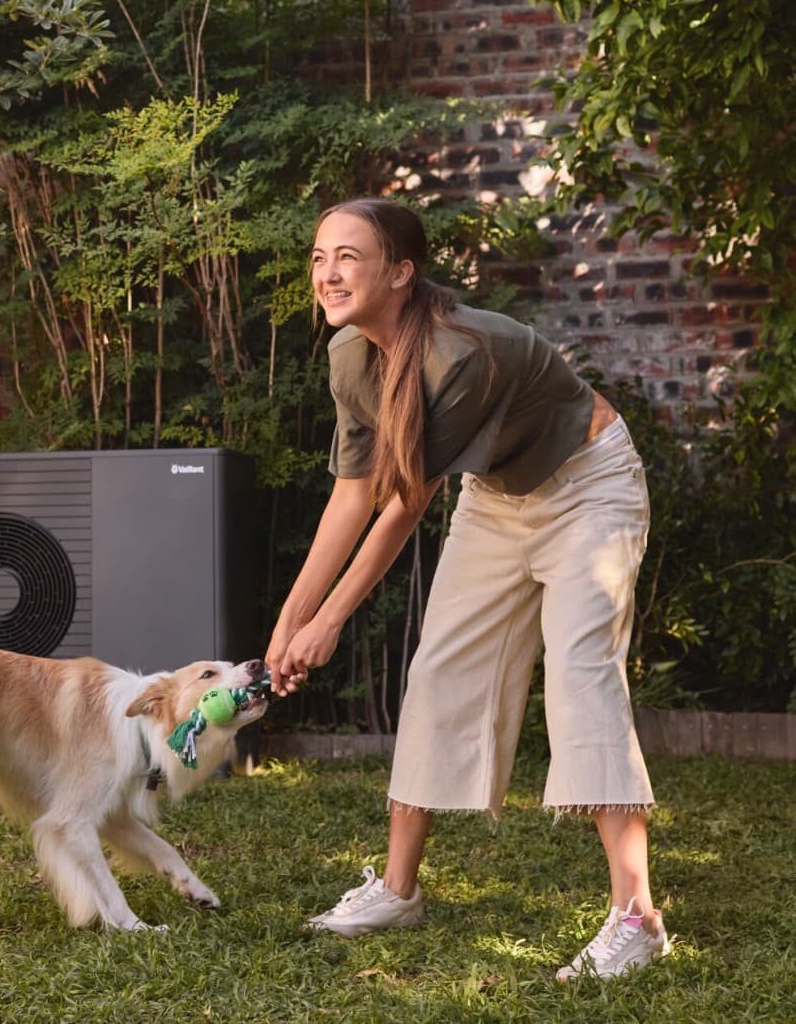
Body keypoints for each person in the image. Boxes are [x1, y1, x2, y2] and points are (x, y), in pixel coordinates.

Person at [266, 197, 666, 981]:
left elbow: (404, 502)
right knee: (441, 670)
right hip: (499, 499)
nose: (328, 272)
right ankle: (397, 888)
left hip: (589, 485)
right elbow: (353, 494)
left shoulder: (463, 352)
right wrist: (290, 622)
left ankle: (637, 917)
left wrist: (333, 621)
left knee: (583, 677)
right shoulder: (351, 354)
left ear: (402, 272)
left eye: (349, 256)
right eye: (319, 256)